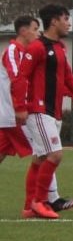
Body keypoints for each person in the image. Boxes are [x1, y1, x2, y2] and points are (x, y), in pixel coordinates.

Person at [13, 4, 73, 219]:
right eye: (65, 19)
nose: (68, 23)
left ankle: (28, 207)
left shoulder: (59, 48)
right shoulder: (37, 48)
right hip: (39, 110)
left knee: (40, 159)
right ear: (53, 21)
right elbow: (21, 77)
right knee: (55, 155)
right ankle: (40, 202)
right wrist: (20, 107)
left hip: (53, 111)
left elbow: (67, 76)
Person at [0, 17, 38, 176]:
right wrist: (20, 107)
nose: (38, 33)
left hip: (12, 116)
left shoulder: (26, 54)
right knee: (47, 152)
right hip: (14, 116)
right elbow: (17, 78)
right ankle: (48, 198)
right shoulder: (12, 51)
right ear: (23, 31)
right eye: (35, 29)